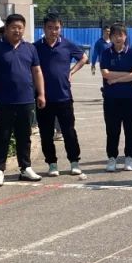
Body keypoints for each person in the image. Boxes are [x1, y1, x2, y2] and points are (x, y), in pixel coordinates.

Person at [0, 13, 45, 187]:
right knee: (2, 136)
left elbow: (37, 71)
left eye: (20, 28)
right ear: (6, 28)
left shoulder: (30, 48)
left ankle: (25, 168)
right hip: (3, 101)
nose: (17, 31)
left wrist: (41, 94)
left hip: (26, 100)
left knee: (24, 136)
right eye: (13, 27)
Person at [35, 13, 87, 177]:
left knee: (69, 132)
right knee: (46, 133)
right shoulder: (35, 47)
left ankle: (74, 162)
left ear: (61, 28)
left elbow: (83, 58)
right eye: (50, 28)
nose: (53, 31)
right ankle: (52, 164)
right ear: (44, 28)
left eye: (56, 28)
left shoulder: (67, 44)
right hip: (43, 98)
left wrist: (72, 71)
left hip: (64, 96)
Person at [99, 23, 132, 172]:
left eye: (121, 35)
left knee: (130, 130)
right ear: (110, 37)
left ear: (125, 36)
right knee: (112, 130)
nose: (118, 38)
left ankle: (129, 157)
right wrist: (127, 74)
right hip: (111, 98)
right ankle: (112, 158)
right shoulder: (106, 53)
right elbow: (105, 73)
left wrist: (115, 79)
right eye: (115, 35)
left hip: (130, 98)